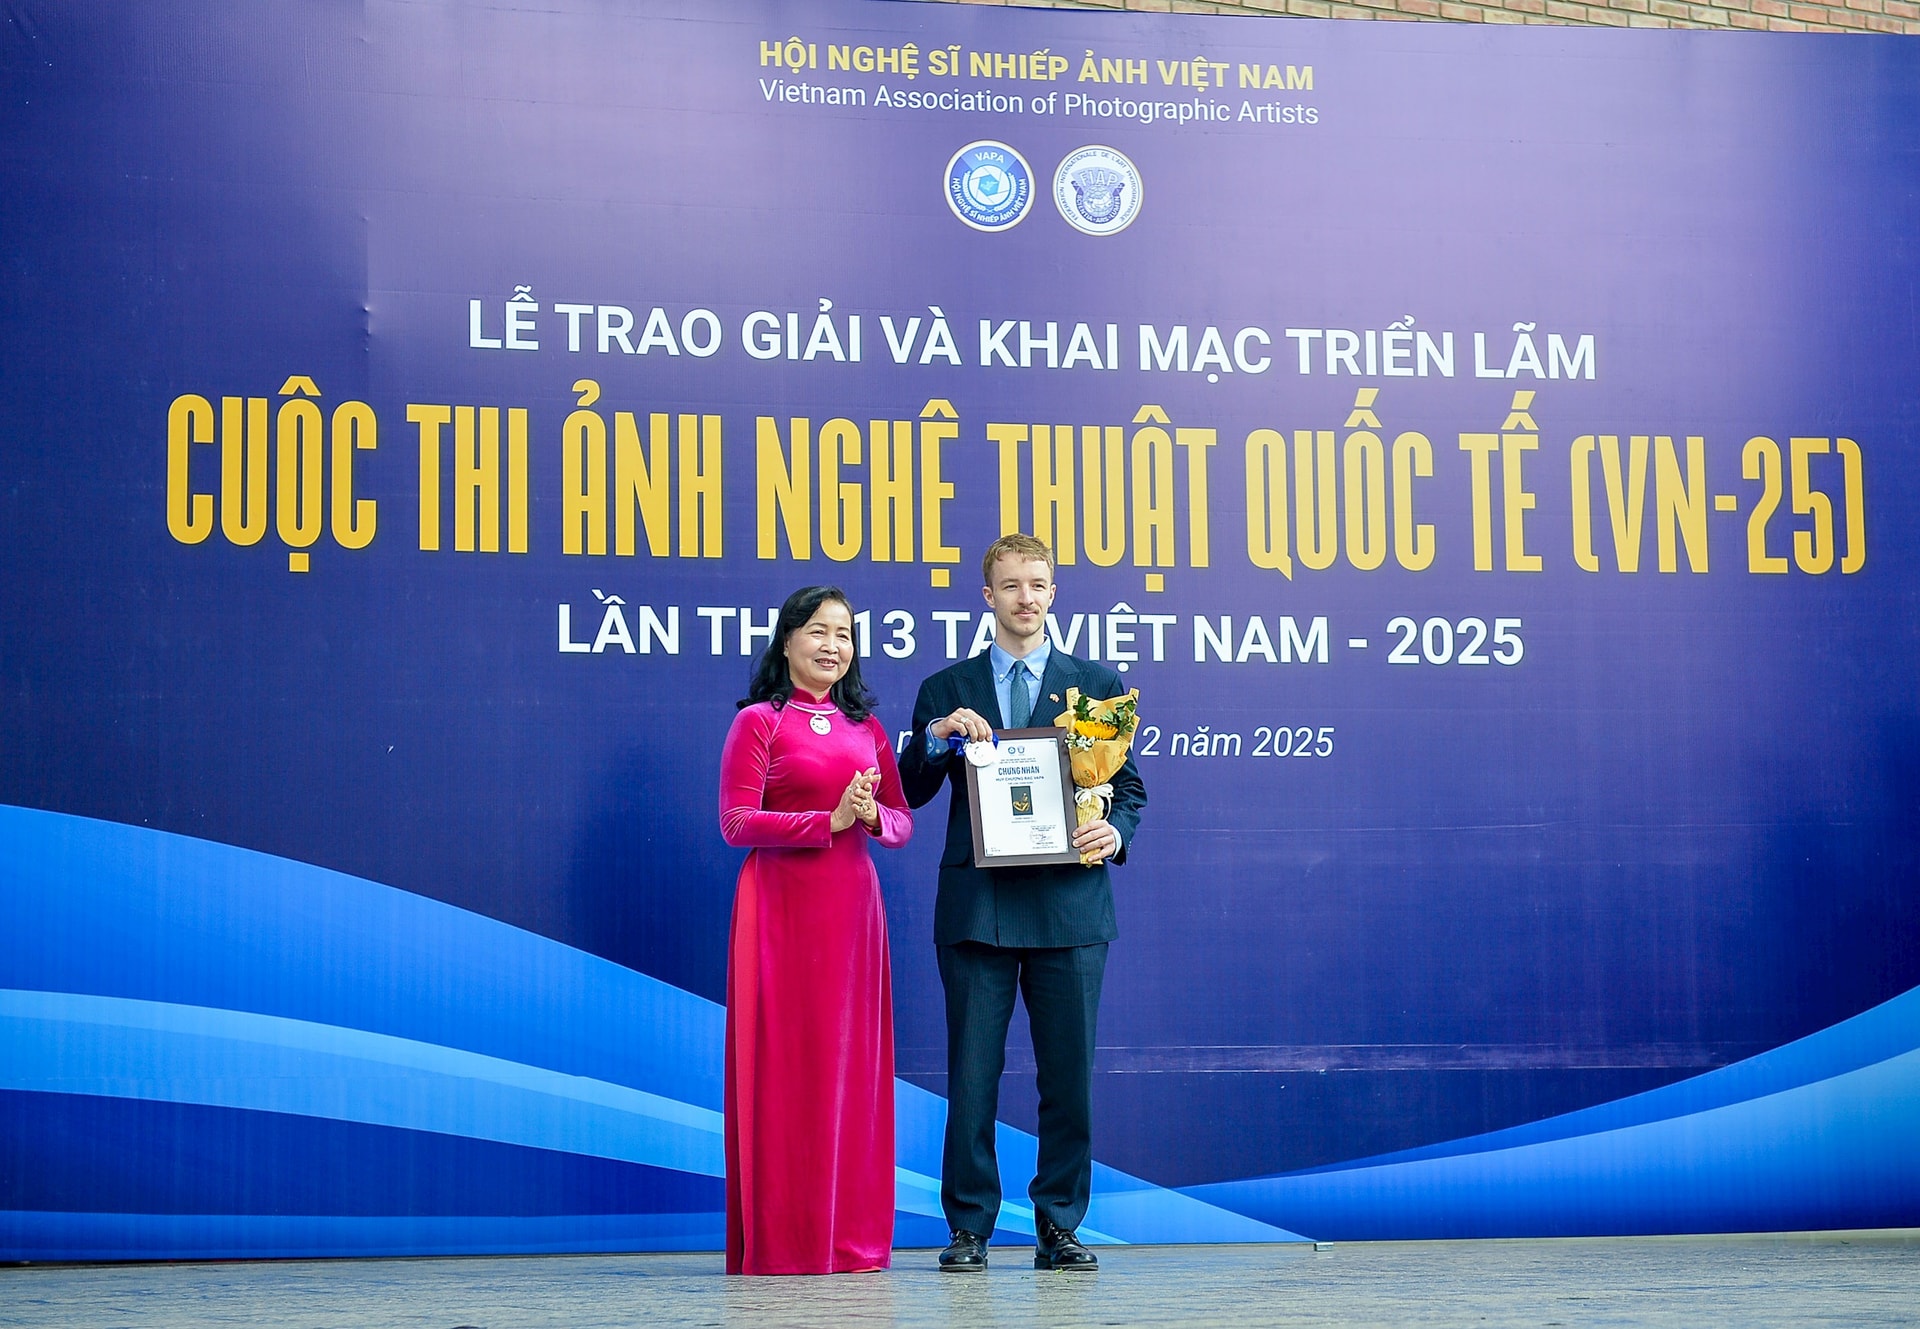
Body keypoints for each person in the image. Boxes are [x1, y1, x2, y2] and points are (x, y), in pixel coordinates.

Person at [898, 534, 1146, 1273]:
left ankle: (1059, 1225)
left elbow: (1127, 787)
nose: (1025, 597)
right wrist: (938, 739)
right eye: (1010, 585)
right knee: (971, 1078)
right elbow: (909, 788)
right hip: (977, 909)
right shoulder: (947, 687)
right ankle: (969, 1226)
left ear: (1053, 593)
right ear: (988, 596)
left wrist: (1115, 828)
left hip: (1071, 907)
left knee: (1068, 1080)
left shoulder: (1095, 683)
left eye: (1037, 584)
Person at [717, 585, 912, 1275]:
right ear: (788, 640)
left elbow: (899, 820)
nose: (834, 646)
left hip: (852, 911)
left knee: (847, 1073)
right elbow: (736, 823)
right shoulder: (759, 723)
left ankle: (849, 1240)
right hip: (778, 913)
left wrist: (866, 816)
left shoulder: (867, 727)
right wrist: (821, 822)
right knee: (784, 1071)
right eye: (820, 631)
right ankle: (787, 1239)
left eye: (846, 635)